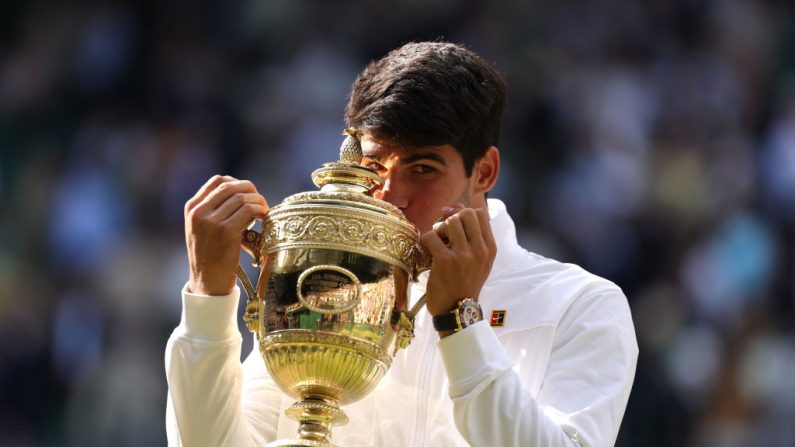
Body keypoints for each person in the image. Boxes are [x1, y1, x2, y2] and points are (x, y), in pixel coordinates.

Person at [165, 41, 638, 447]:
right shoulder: (327, 294)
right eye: (375, 169)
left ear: (485, 171)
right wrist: (208, 297)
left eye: (423, 169)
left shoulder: (579, 305)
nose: (392, 197)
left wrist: (461, 323)